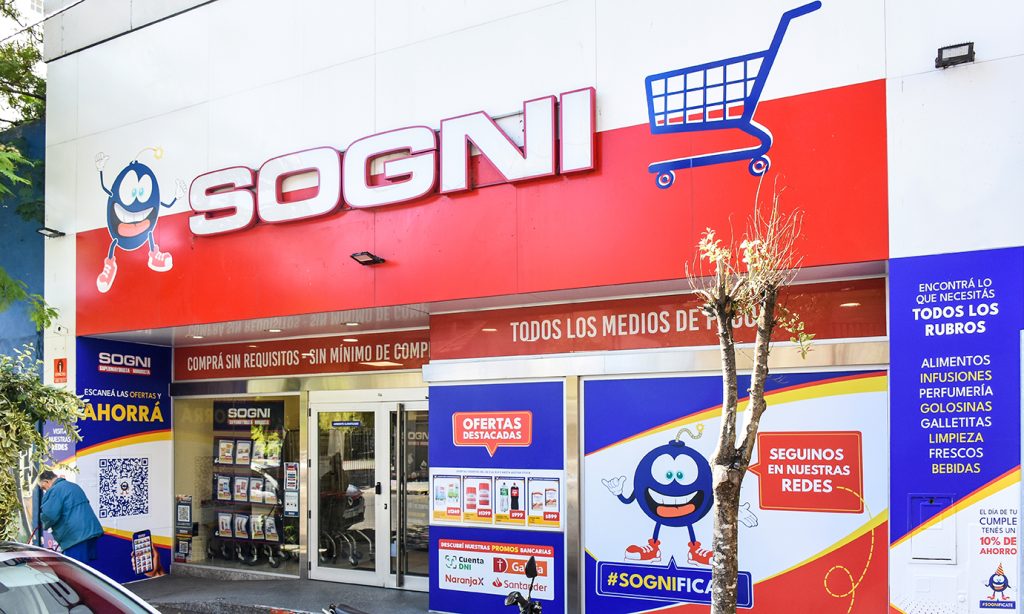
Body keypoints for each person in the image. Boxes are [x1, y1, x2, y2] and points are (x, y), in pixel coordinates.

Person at [38, 470, 103, 563]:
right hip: (90, 532)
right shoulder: (73, 486)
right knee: (84, 567)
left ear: (46, 482)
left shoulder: (55, 490)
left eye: (44, 488)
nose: (45, 491)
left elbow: (49, 515)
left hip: (75, 536)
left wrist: (44, 522)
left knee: (75, 568)